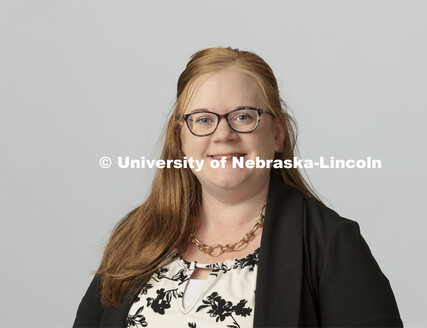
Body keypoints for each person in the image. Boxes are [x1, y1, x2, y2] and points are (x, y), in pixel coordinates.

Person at [73, 47, 403, 328]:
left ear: (277, 133)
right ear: (179, 139)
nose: (223, 135)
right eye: (203, 119)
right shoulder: (136, 236)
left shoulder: (330, 245)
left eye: (244, 117)